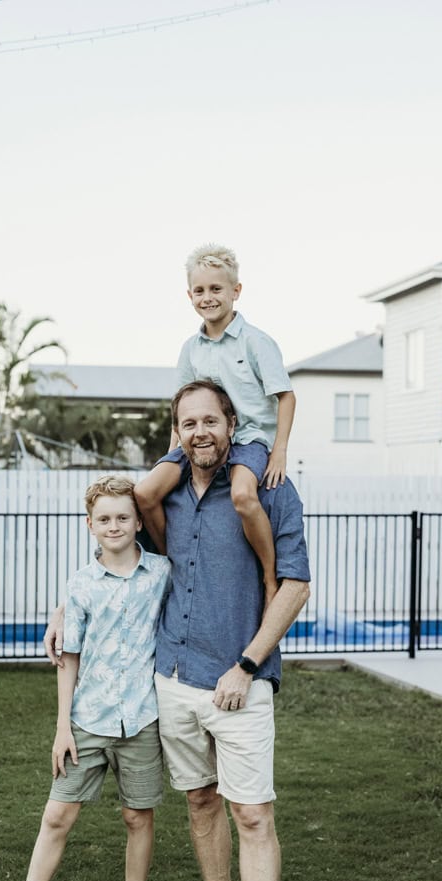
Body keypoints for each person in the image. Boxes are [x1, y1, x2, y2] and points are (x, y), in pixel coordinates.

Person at [45, 382, 310, 881]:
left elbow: (295, 587)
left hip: (238, 682)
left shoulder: (269, 491)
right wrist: (64, 604)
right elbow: (118, 550)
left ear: (231, 424)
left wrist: (247, 664)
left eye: (210, 421)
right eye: (187, 423)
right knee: (199, 803)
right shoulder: (164, 499)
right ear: (176, 432)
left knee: (253, 813)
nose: (200, 432)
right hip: (173, 680)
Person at [0, 475, 170, 881]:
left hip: (142, 719)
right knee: (57, 815)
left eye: (123, 517)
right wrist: (63, 726)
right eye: (104, 519)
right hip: (88, 718)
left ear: (138, 521)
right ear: (90, 526)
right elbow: (70, 657)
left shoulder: (163, 573)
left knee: (136, 817)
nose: (114, 525)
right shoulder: (80, 584)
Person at [135, 244, 296, 610]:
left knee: (242, 496)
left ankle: (269, 576)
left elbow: (287, 397)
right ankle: (171, 564)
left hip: (248, 439)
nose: (208, 297)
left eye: (216, 289)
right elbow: (180, 412)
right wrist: (170, 457)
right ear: (189, 295)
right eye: (200, 290)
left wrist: (279, 451)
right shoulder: (190, 349)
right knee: (145, 494)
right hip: (198, 440)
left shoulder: (256, 341)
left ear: (235, 291)